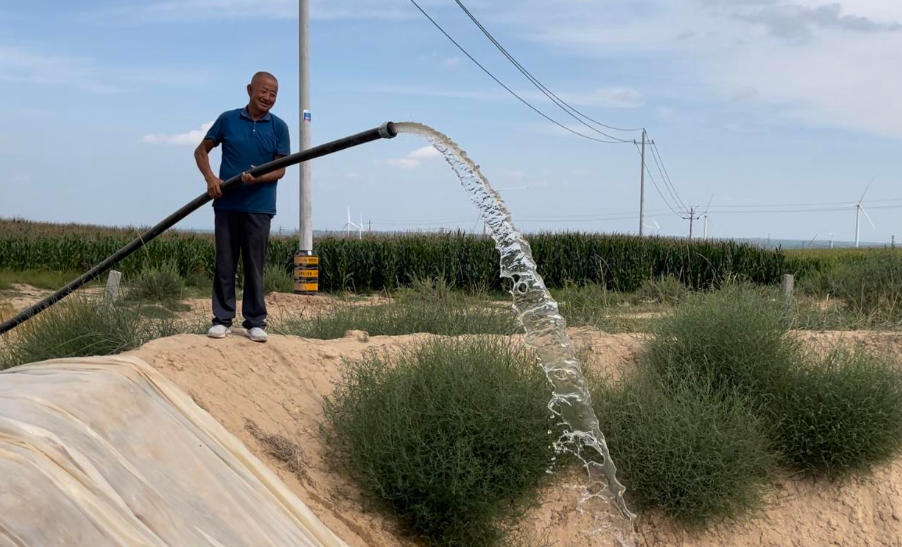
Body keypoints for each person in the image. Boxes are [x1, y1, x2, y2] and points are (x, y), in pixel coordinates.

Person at [194, 71, 291, 343]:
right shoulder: (228, 119)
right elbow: (200, 151)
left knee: (254, 265)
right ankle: (222, 320)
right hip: (227, 204)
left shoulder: (279, 127)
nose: (268, 98)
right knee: (225, 262)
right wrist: (211, 179)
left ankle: (255, 322)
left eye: (273, 94)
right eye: (263, 91)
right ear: (250, 89)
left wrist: (258, 177)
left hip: (259, 207)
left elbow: (281, 169)